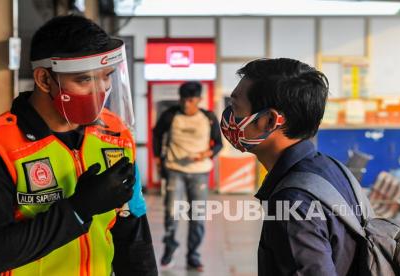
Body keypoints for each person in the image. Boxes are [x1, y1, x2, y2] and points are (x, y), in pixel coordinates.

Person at [0, 15, 157, 276]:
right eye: (84, 80)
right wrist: (78, 209)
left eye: (106, 76)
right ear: (44, 79)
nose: (100, 90)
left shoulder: (116, 135)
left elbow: (132, 235)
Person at [220, 58, 364, 275]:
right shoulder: (332, 168)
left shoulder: (293, 201)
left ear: (269, 121)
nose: (229, 116)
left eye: (235, 106)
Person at [153, 81, 222, 271]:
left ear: (199, 100)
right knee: (171, 213)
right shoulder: (171, 115)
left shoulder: (207, 117)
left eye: (190, 100)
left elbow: (218, 144)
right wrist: (158, 158)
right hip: (175, 170)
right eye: (183, 99)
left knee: (197, 216)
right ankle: (169, 249)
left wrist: (206, 154)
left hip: (199, 172)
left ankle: (193, 255)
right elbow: (157, 134)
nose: (186, 104)